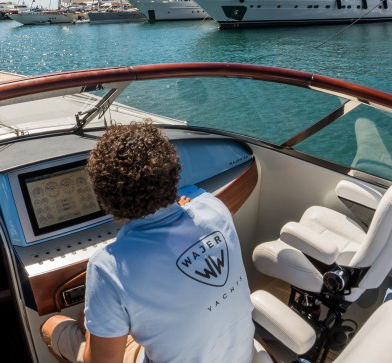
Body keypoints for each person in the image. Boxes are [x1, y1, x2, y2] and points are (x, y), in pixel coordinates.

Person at [40, 122, 256, 363]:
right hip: (240, 356)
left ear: (105, 200)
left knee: (52, 326)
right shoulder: (214, 208)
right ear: (174, 172)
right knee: (90, 320)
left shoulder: (107, 267)